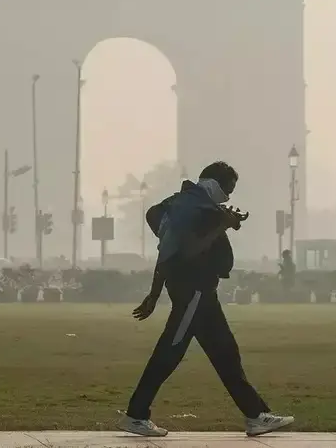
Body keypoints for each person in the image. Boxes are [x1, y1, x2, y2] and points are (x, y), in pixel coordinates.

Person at [119, 161, 294, 438]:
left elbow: (168, 248)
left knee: (226, 354)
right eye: (228, 189)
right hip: (193, 293)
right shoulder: (194, 209)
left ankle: (256, 415)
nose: (229, 196)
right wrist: (221, 225)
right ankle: (136, 415)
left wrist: (220, 219)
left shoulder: (181, 204)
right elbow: (183, 252)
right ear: (213, 184)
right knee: (170, 352)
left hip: (201, 294)